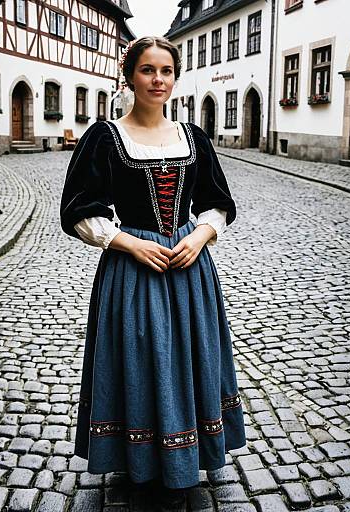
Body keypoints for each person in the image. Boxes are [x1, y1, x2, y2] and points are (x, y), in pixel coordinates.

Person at [59, 36, 246, 508]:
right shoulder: (105, 137)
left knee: (189, 355)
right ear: (130, 76)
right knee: (140, 359)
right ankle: (140, 461)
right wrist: (128, 243)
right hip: (133, 270)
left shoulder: (193, 137)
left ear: (174, 77)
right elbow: (78, 208)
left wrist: (200, 237)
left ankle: (189, 455)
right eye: (147, 70)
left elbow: (218, 201)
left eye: (165, 70)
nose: (157, 79)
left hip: (189, 269)